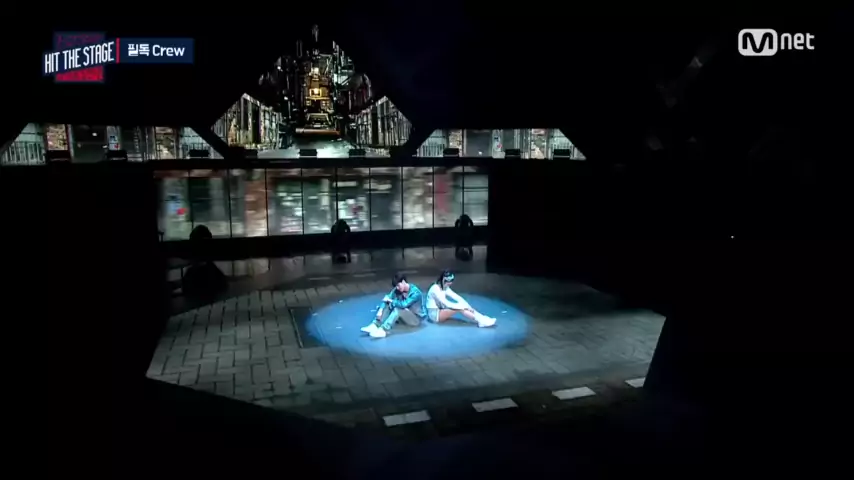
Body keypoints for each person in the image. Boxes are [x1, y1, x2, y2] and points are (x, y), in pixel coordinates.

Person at [361, 273, 426, 338]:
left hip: (415, 319)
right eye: (396, 286)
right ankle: (375, 324)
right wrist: (380, 310)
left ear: (403, 282)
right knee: (389, 303)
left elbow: (404, 304)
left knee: (398, 309)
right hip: (403, 317)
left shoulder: (416, 293)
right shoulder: (397, 290)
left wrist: (391, 301)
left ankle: (384, 330)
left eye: (398, 285)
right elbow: (387, 298)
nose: (397, 288)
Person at [426, 270, 496, 327]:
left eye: (451, 281)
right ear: (443, 280)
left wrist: (469, 307)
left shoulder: (445, 287)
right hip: (434, 315)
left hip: (440, 311)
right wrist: (462, 306)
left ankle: (482, 318)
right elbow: (446, 303)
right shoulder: (435, 289)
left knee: (462, 306)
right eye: (448, 281)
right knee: (460, 308)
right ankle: (481, 321)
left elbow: (457, 297)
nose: (450, 283)